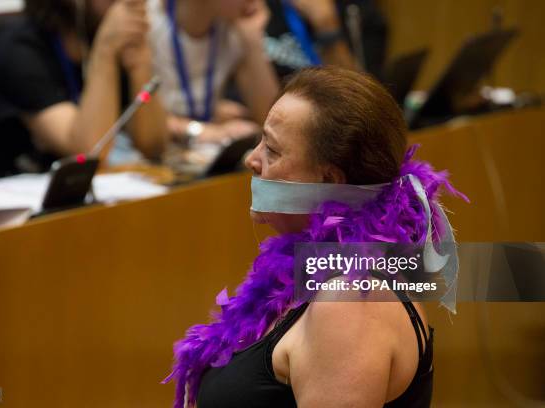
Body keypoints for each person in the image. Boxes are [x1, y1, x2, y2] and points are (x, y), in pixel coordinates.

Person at [164, 67, 467, 407]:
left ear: (329, 180)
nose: (251, 159)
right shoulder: (310, 271)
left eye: (273, 151)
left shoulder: (351, 303)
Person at [0, 0, 168, 183]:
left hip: (59, 203)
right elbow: (87, 154)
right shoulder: (18, 52)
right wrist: (106, 53)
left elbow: (153, 146)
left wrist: (140, 66)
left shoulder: (97, 40)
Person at [146, 0, 279, 145]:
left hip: (192, 152)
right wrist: (199, 130)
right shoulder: (146, 19)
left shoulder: (233, 27)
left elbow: (271, 123)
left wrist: (253, 42)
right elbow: (136, 107)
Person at [264, 0, 388, 79]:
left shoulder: (356, 9)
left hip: (332, 115)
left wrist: (327, 26)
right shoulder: (256, 9)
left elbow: (364, 107)